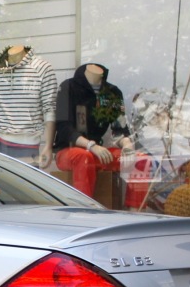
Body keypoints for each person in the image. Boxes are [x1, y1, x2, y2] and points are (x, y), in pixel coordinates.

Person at [53, 63, 134, 197]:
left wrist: (127, 145)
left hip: (98, 153)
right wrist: (91, 145)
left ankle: (135, 210)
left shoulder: (112, 92)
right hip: (68, 151)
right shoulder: (68, 87)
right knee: (84, 157)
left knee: (140, 160)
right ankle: (84, 209)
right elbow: (64, 128)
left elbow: (119, 129)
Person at [0, 44, 56, 167]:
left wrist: (48, 146)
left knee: (24, 185)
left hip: (28, 145)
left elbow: (49, 109)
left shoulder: (42, 68)